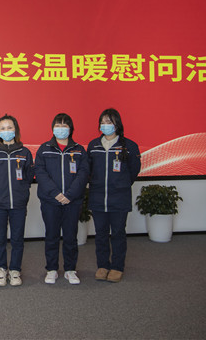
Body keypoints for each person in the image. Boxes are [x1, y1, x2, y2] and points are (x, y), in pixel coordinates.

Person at [87, 108, 141, 283]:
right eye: (103, 122)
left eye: (109, 122)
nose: (105, 125)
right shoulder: (93, 145)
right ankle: (103, 265)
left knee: (118, 233)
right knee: (101, 234)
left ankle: (117, 266)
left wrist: (121, 184)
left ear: (117, 124)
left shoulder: (129, 146)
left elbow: (134, 170)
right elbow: (88, 170)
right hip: (98, 197)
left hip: (119, 198)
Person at [35, 113, 89, 285]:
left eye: (65, 125)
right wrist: (56, 194)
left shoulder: (79, 150)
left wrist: (70, 195)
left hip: (72, 202)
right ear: (52, 128)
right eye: (58, 125)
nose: (61, 128)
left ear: (71, 129)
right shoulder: (44, 149)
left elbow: (83, 173)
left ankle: (70, 270)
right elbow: (40, 173)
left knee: (70, 236)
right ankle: (51, 269)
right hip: (50, 201)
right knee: (51, 235)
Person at [0, 115, 34, 287]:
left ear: (16, 130)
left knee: (17, 239)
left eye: (10, 127)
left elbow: (28, 176)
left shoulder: (25, 153)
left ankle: (15, 270)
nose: (6, 131)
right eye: (3, 128)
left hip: (18, 204)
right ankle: (1, 269)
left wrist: (21, 191)